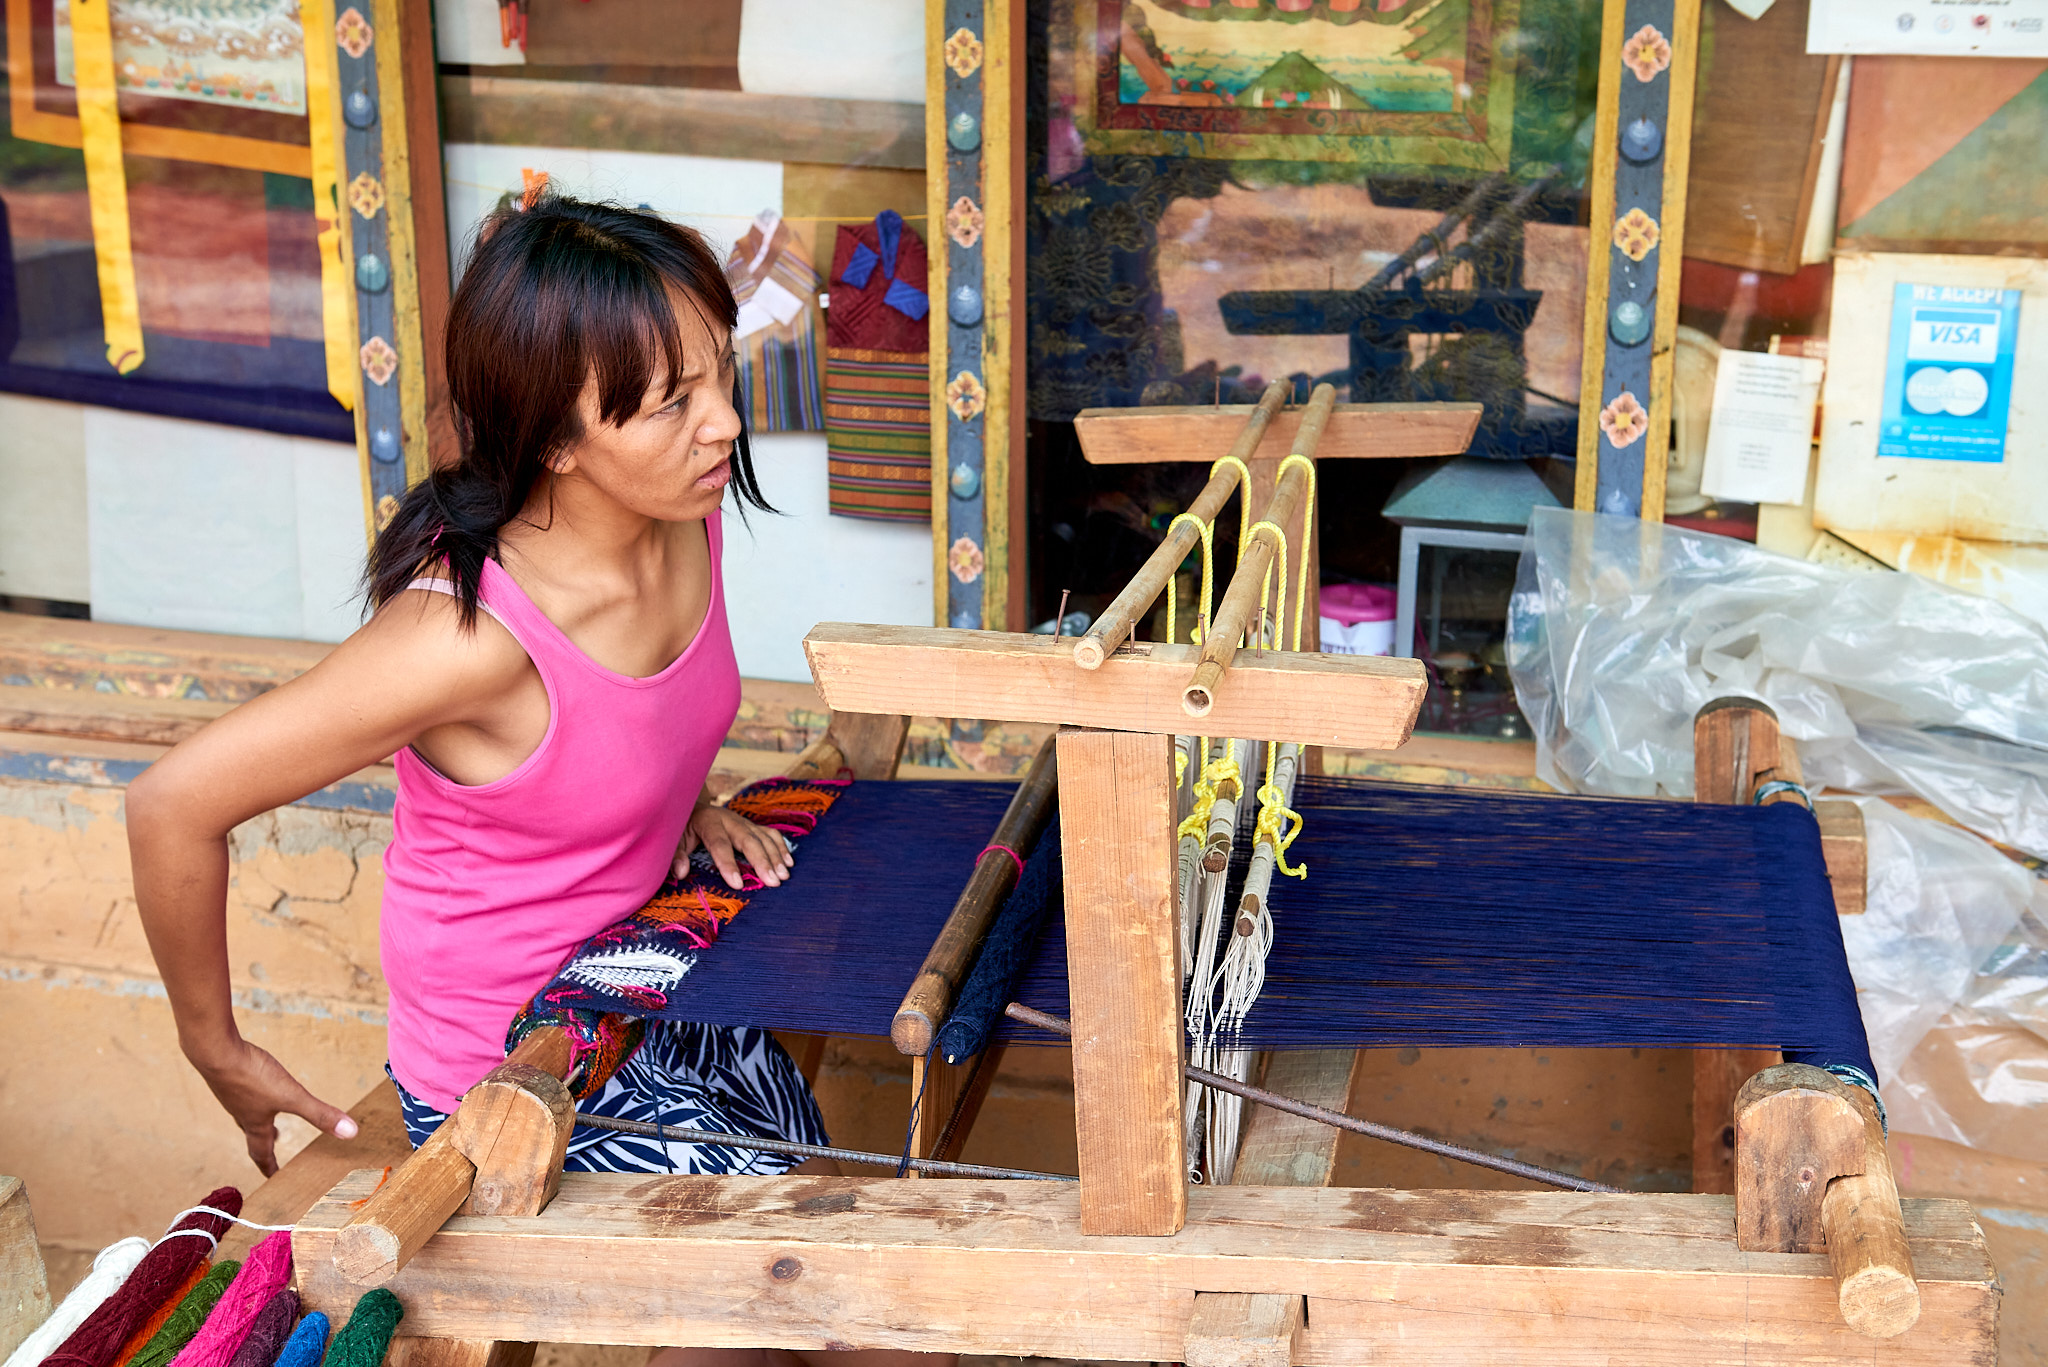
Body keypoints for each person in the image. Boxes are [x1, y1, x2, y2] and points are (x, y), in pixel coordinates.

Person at [129, 202, 930, 1367]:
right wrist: (219, 1046)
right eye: (672, 403)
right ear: (556, 442)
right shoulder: (462, 639)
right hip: (516, 1072)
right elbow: (171, 802)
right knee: (811, 1330)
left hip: (658, 984)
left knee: (892, 1309)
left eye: (720, 373)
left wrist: (673, 802)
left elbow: (625, 729)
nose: (724, 424)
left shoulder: (678, 518)